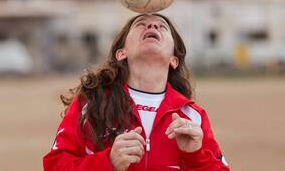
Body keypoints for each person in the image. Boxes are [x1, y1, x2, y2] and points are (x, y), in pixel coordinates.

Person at [43, 13, 230, 171]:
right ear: (121, 53)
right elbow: (54, 165)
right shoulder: (93, 103)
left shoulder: (192, 117)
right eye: (141, 24)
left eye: (162, 26)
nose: (152, 25)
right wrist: (108, 162)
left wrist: (196, 157)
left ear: (174, 59)